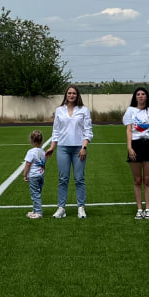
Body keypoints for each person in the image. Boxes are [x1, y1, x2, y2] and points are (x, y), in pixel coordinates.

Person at [50, 85, 93, 219]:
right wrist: (52, 147)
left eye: (74, 93)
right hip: (63, 148)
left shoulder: (84, 110)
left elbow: (88, 131)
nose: (71, 95)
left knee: (79, 179)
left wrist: (84, 147)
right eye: (69, 93)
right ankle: (61, 208)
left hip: (78, 149)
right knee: (63, 179)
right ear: (66, 95)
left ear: (77, 95)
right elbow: (56, 131)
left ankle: (81, 207)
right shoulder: (59, 110)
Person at [123, 86, 149, 219]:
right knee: (137, 180)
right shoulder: (130, 111)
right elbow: (129, 130)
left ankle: (148, 209)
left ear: (146, 97)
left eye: (143, 94)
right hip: (135, 145)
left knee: (147, 180)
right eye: (138, 94)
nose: (140, 96)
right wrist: (129, 147)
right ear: (135, 97)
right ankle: (139, 209)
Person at [22, 129, 54, 219]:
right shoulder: (43, 152)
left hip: (33, 175)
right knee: (37, 192)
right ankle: (35, 210)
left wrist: (25, 175)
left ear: (31, 140)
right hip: (40, 175)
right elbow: (43, 164)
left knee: (35, 194)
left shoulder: (31, 152)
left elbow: (28, 164)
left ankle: (38, 212)